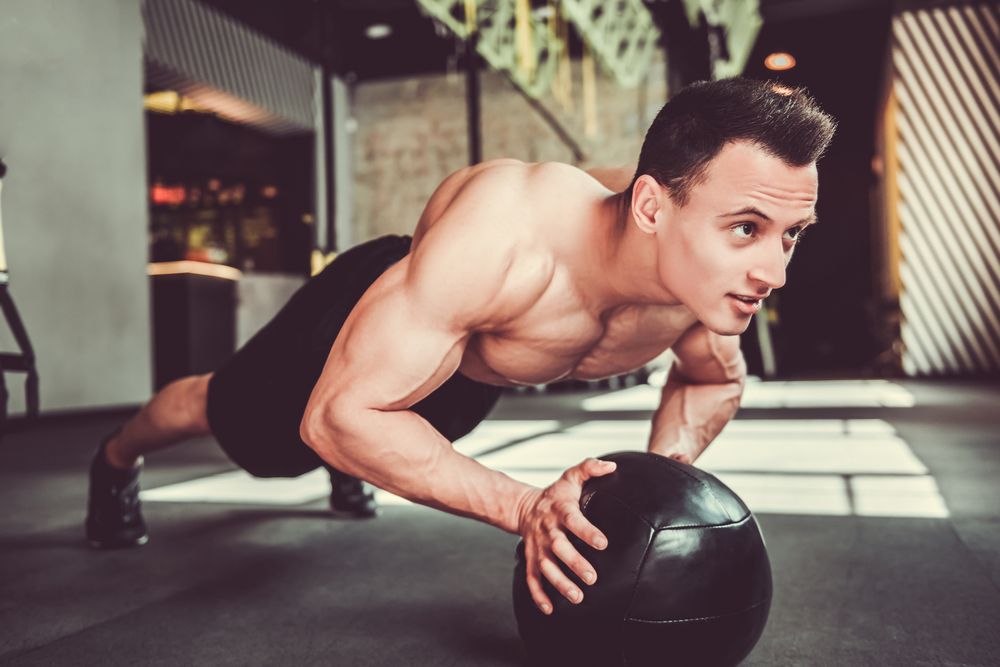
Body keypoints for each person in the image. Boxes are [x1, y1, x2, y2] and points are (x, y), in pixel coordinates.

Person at [86, 78, 835, 617]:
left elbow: (708, 383)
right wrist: (526, 506)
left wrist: (664, 480)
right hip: (393, 310)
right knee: (251, 427)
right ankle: (116, 457)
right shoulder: (505, 241)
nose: (773, 271)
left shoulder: (698, 285)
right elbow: (338, 416)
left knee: (402, 428)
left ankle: (359, 469)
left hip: (470, 371)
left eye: (789, 235)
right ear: (650, 206)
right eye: (746, 228)